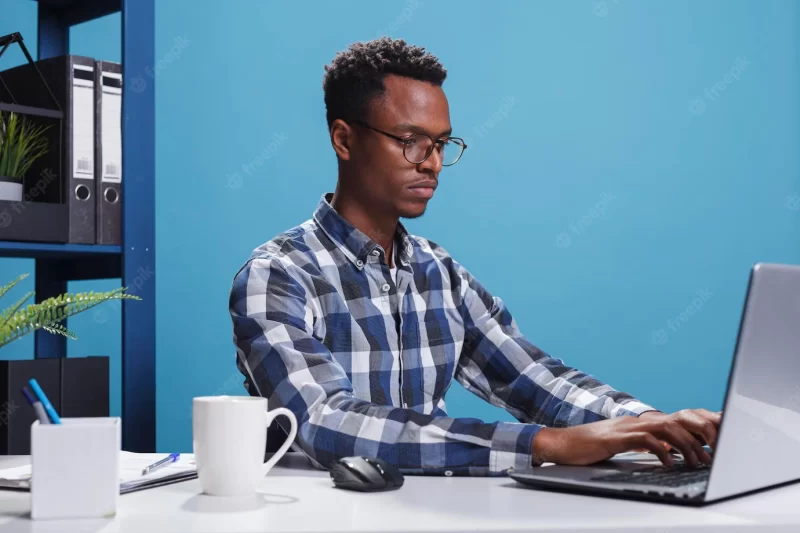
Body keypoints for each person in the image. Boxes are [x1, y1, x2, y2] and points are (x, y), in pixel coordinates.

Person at [228, 37, 721, 476]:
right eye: (410, 141)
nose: (433, 163)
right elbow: (323, 420)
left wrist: (649, 424)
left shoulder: (438, 272)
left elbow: (533, 379)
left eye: (442, 144)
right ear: (343, 139)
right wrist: (546, 444)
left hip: (436, 515)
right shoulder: (278, 275)